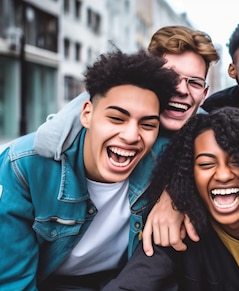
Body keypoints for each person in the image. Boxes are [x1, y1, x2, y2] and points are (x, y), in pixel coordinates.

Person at [32, 25, 221, 255]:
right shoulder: (96, 109)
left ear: (204, 94)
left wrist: (174, 196)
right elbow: (47, 140)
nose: (182, 89)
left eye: (194, 82)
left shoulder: (206, 130)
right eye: (171, 76)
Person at [0, 50, 179, 290]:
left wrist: (175, 196)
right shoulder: (24, 165)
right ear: (87, 114)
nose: (130, 136)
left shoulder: (165, 159)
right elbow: (13, 281)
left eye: (147, 124)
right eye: (116, 118)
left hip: (117, 281)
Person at [102, 107, 239, 290]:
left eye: (237, 161)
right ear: (190, 174)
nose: (222, 175)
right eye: (206, 164)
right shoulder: (181, 224)